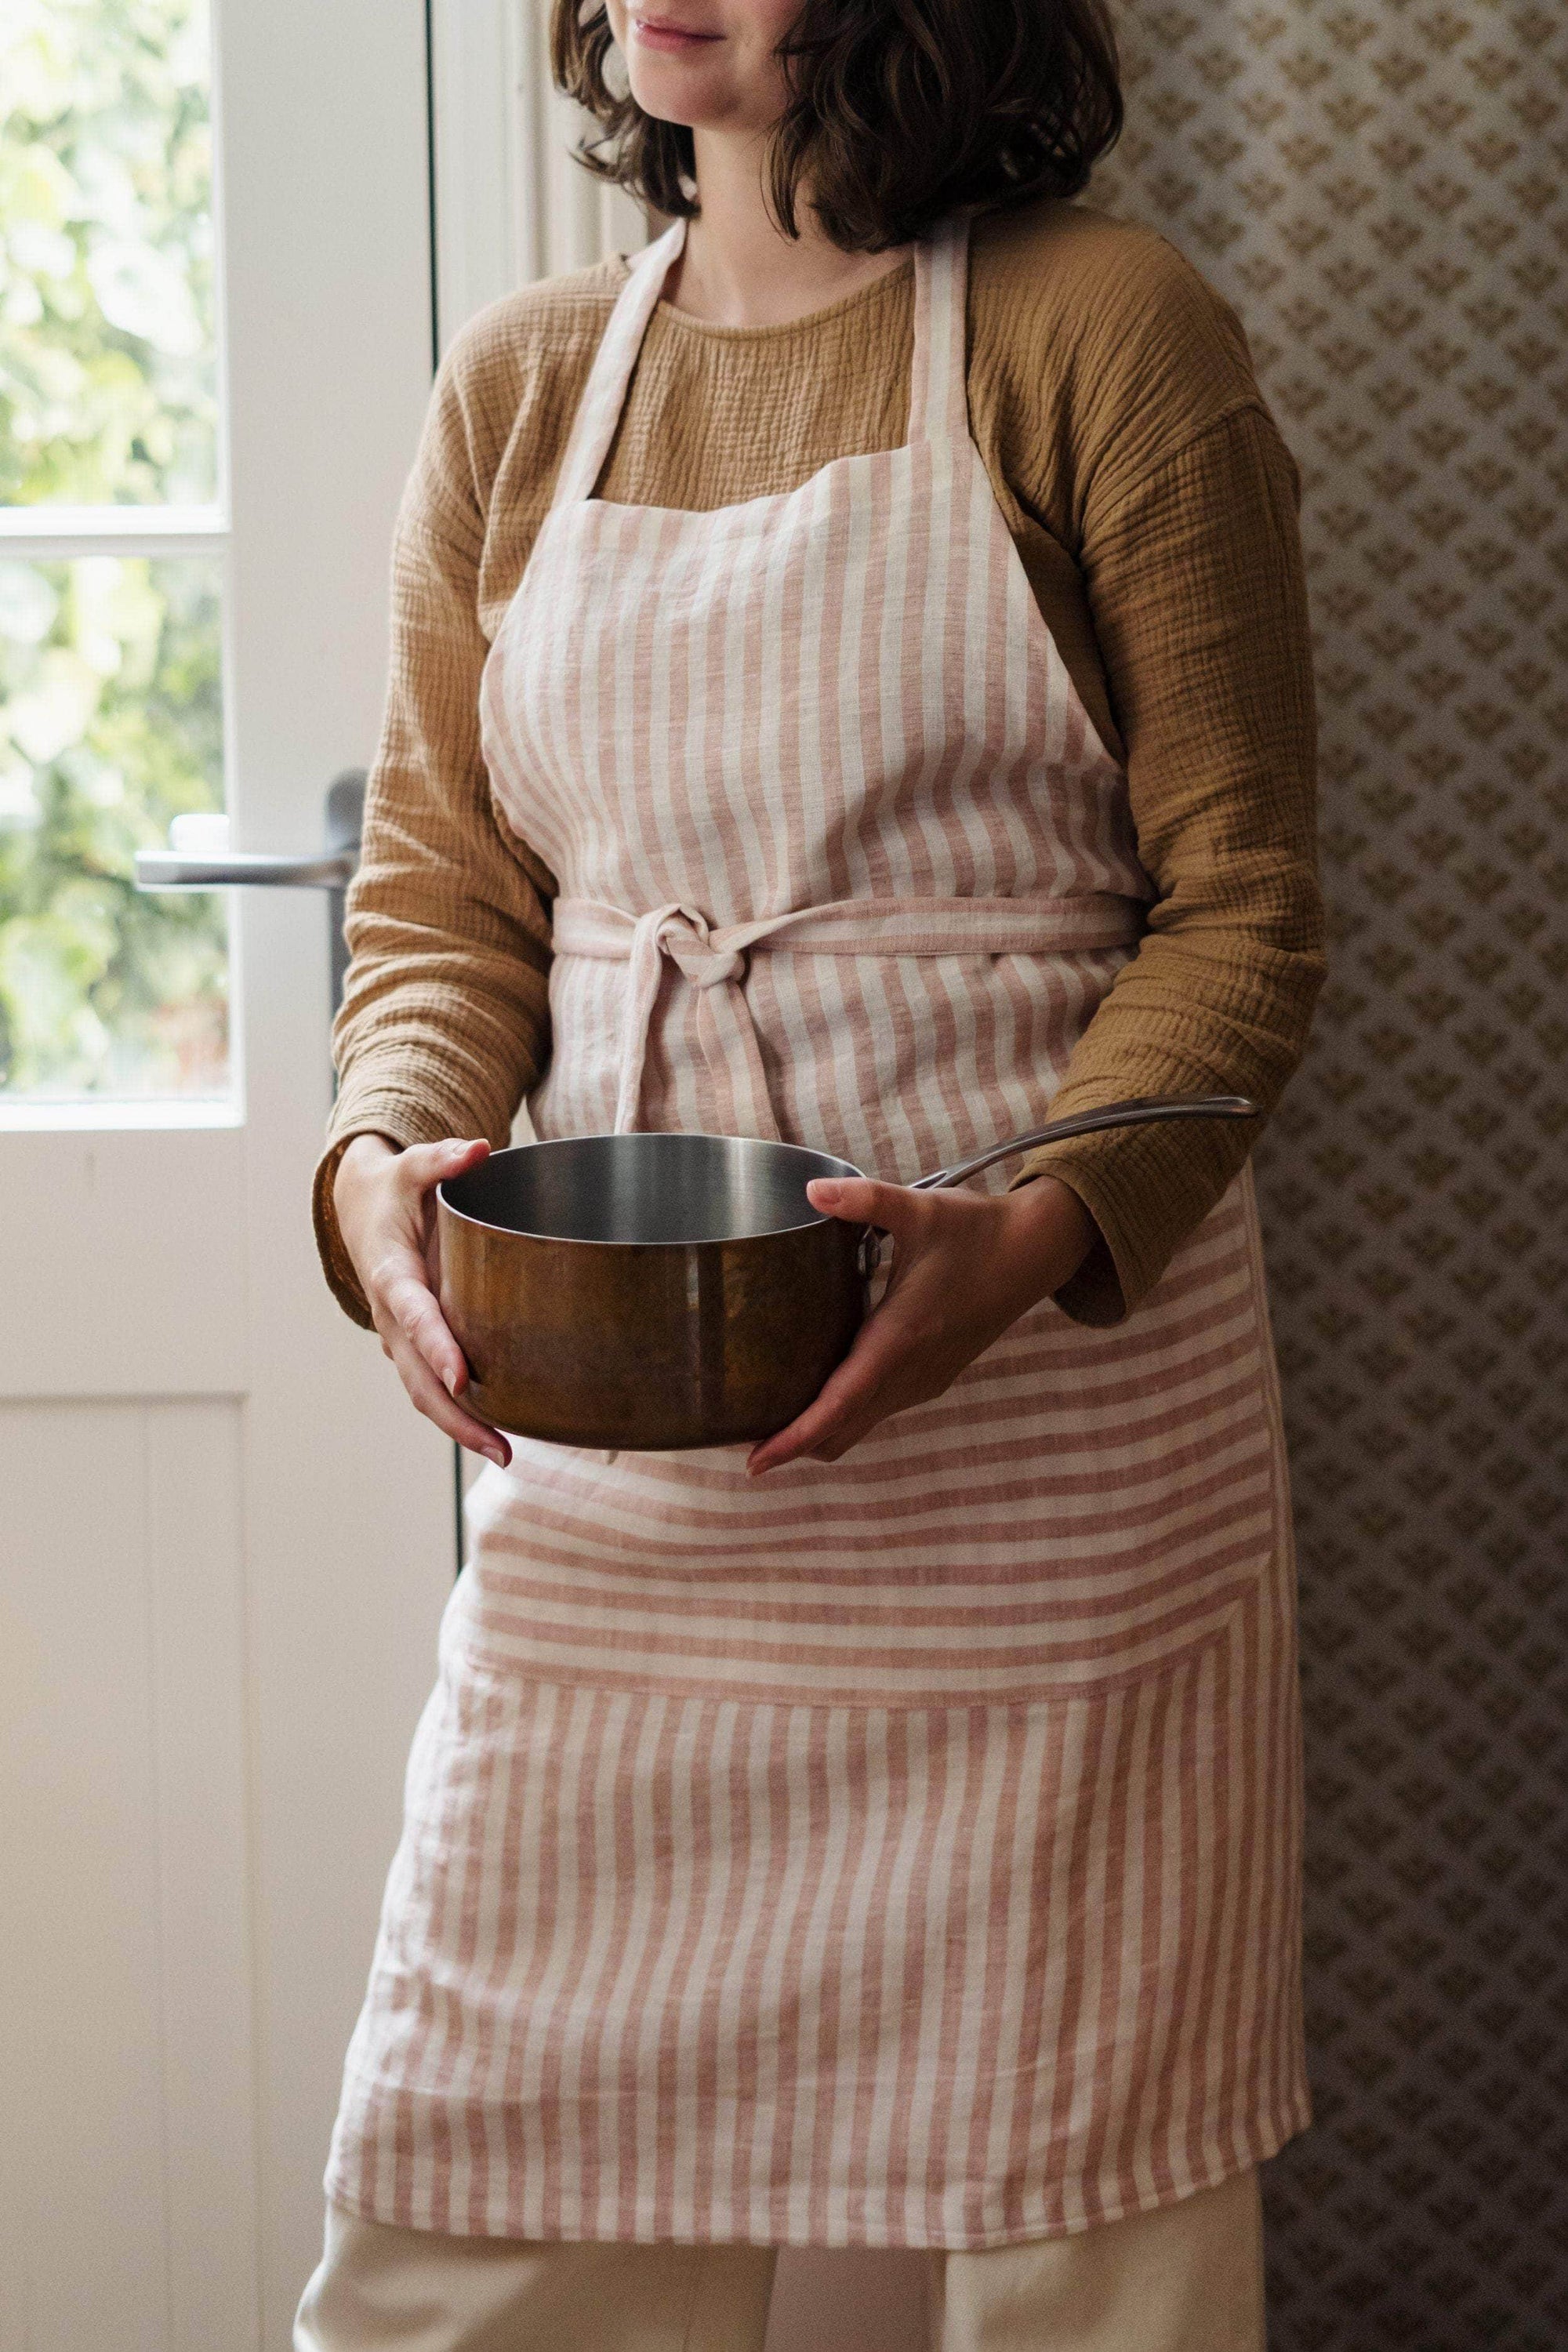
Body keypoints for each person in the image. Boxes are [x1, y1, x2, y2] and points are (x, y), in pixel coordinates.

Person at [297, 0, 1324, 2343]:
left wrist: (1040, 1231)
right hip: (631, 1451)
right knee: (475, 2210)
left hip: (1052, 1453)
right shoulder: (527, 382)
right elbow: (444, 909)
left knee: (1079, 2225)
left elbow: (1249, 906)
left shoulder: (1106, 330)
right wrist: (378, 1170)